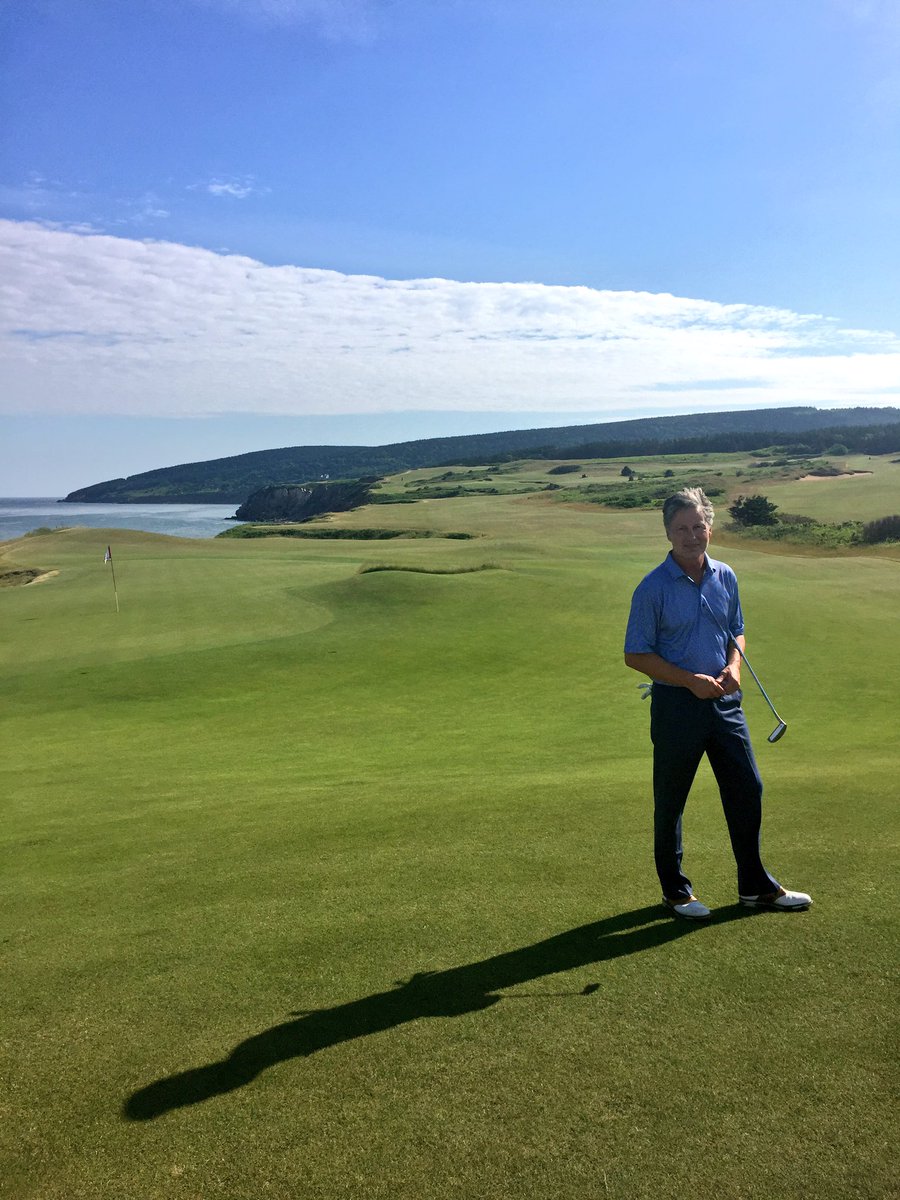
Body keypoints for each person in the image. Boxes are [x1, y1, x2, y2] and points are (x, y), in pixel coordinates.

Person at [623, 487, 811, 919]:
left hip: (726, 702)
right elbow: (636, 654)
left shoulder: (726, 575)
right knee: (671, 801)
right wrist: (690, 681)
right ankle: (676, 892)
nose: (692, 536)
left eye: (699, 526)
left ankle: (755, 886)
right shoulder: (652, 588)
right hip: (676, 706)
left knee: (748, 789)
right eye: (681, 529)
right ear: (668, 534)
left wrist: (734, 669)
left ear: (710, 527)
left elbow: (737, 630)